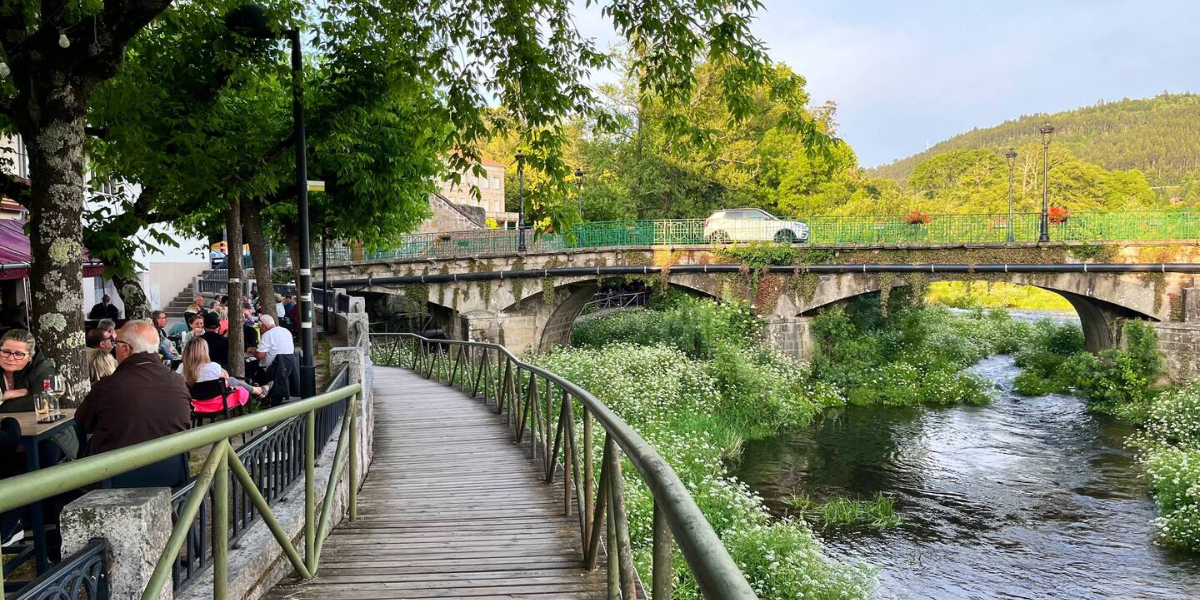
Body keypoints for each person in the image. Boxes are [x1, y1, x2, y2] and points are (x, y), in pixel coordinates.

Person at [75, 322, 190, 456]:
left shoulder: (107, 387)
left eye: (115, 343)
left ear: (125, 349)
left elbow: (82, 423)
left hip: (117, 466)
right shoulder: (178, 381)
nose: (113, 347)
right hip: (173, 463)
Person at [179, 337, 267, 408]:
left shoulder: (181, 368)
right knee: (232, 381)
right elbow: (227, 379)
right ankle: (258, 390)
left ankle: (258, 390)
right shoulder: (213, 367)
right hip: (217, 403)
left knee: (232, 381)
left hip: (194, 404)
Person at [0, 329, 54, 412]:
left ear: (30, 357)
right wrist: (8, 394)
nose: (10, 358)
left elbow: (40, 401)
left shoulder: (43, 368)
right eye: (6, 352)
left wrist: (4, 398)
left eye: (19, 354)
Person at [249, 315, 298, 405]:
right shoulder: (286, 331)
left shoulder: (268, 334)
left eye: (259, 327)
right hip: (288, 366)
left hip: (273, 368)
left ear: (263, 326)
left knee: (250, 368)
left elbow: (260, 355)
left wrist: (253, 351)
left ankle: (258, 397)